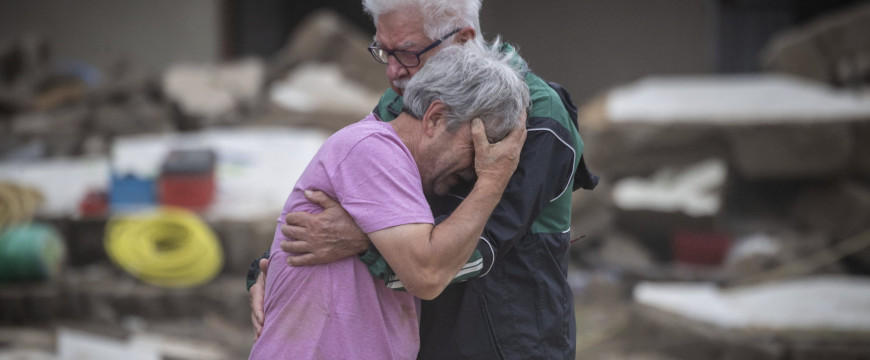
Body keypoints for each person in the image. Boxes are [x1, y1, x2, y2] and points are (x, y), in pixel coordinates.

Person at [248, 0, 597, 358]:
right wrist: (277, 267)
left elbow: (477, 248)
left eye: (408, 52)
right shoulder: (401, 101)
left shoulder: (534, 117)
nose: (393, 72)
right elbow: (350, 194)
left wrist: (362, 238)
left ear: (462, 40)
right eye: (384, 52)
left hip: (510, 344)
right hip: (422, 337)